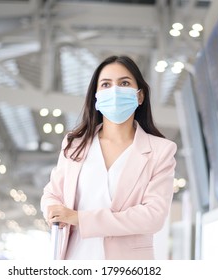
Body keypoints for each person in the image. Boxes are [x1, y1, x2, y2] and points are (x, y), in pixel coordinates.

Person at [41, 55, 177, 260]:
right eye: (106, 84)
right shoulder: (74, 144)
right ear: (96, 96)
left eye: (124, 83)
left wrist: (80, 219)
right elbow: (53, 193)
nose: (114, 91)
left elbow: (153, 216)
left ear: (140, 96)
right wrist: (52, 210)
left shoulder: (160, 150)